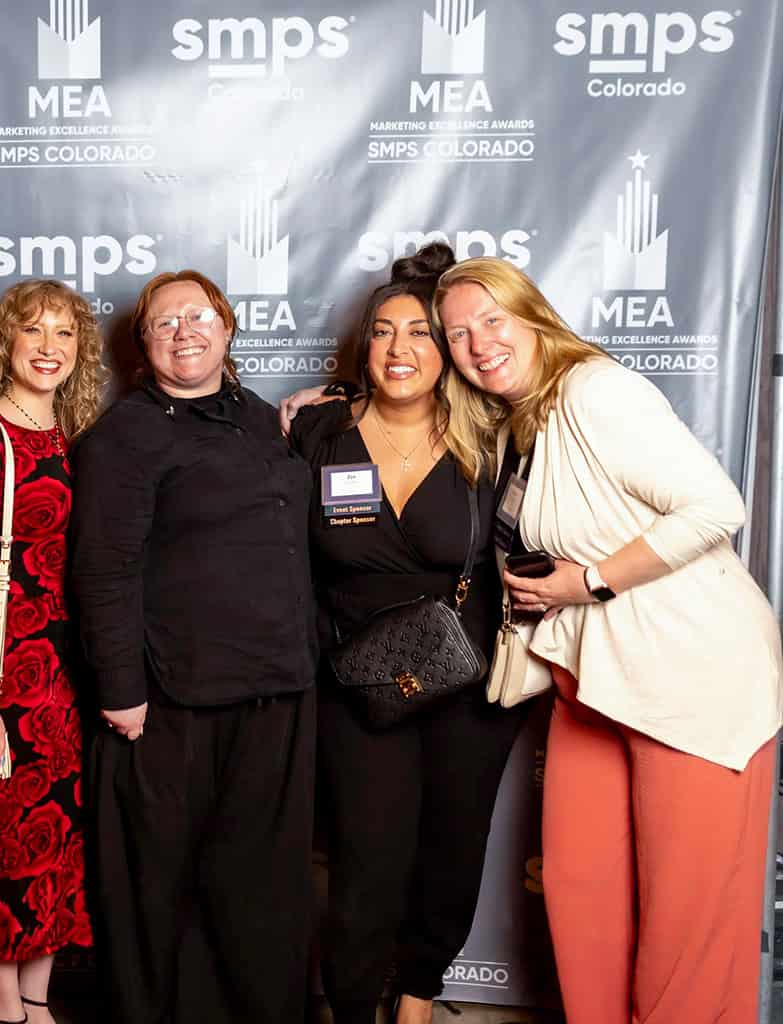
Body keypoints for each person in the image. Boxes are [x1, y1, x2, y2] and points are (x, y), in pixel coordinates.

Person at [434, 257, 782, 1023]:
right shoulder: (520, 421)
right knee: (582, 896)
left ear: (533, 316)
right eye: (457, 332)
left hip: (687, 679)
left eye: (492, 319)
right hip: (593, 684)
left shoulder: (595, 391)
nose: (477, 342)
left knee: (684, 923)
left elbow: (712, 506)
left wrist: (587, 580)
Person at [69, 270, 320, 1023]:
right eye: (164, 321)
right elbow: (102, 571)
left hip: (276, 689)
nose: (184, 330)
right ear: (142, 346)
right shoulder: (124, 435)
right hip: (169, 701)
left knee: (260, 888)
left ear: (228, 327)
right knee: (159, 886)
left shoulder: (256, 416)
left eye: (199, 315)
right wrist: (119, 689)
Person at [286, 244, 524, 1024]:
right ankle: (354, 1004)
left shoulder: (491, 436)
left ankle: (418, 991)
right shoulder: (317, 431)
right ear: (364, 345)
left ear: (448, 348)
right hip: (356, 681)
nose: (399, 350)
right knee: (364, 857)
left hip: (469, 678)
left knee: (453, 847)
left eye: (420, 333)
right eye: (383, 332)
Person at [0, 280, 103, 1024]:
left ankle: (36, 1004)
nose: (47, 346)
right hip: (2, 674)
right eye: (31, 330)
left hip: (63, 675)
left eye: (63, 334)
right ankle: (6, 1013)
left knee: (55, 853)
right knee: (2, 851)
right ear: (4, 340)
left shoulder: (72, 433)